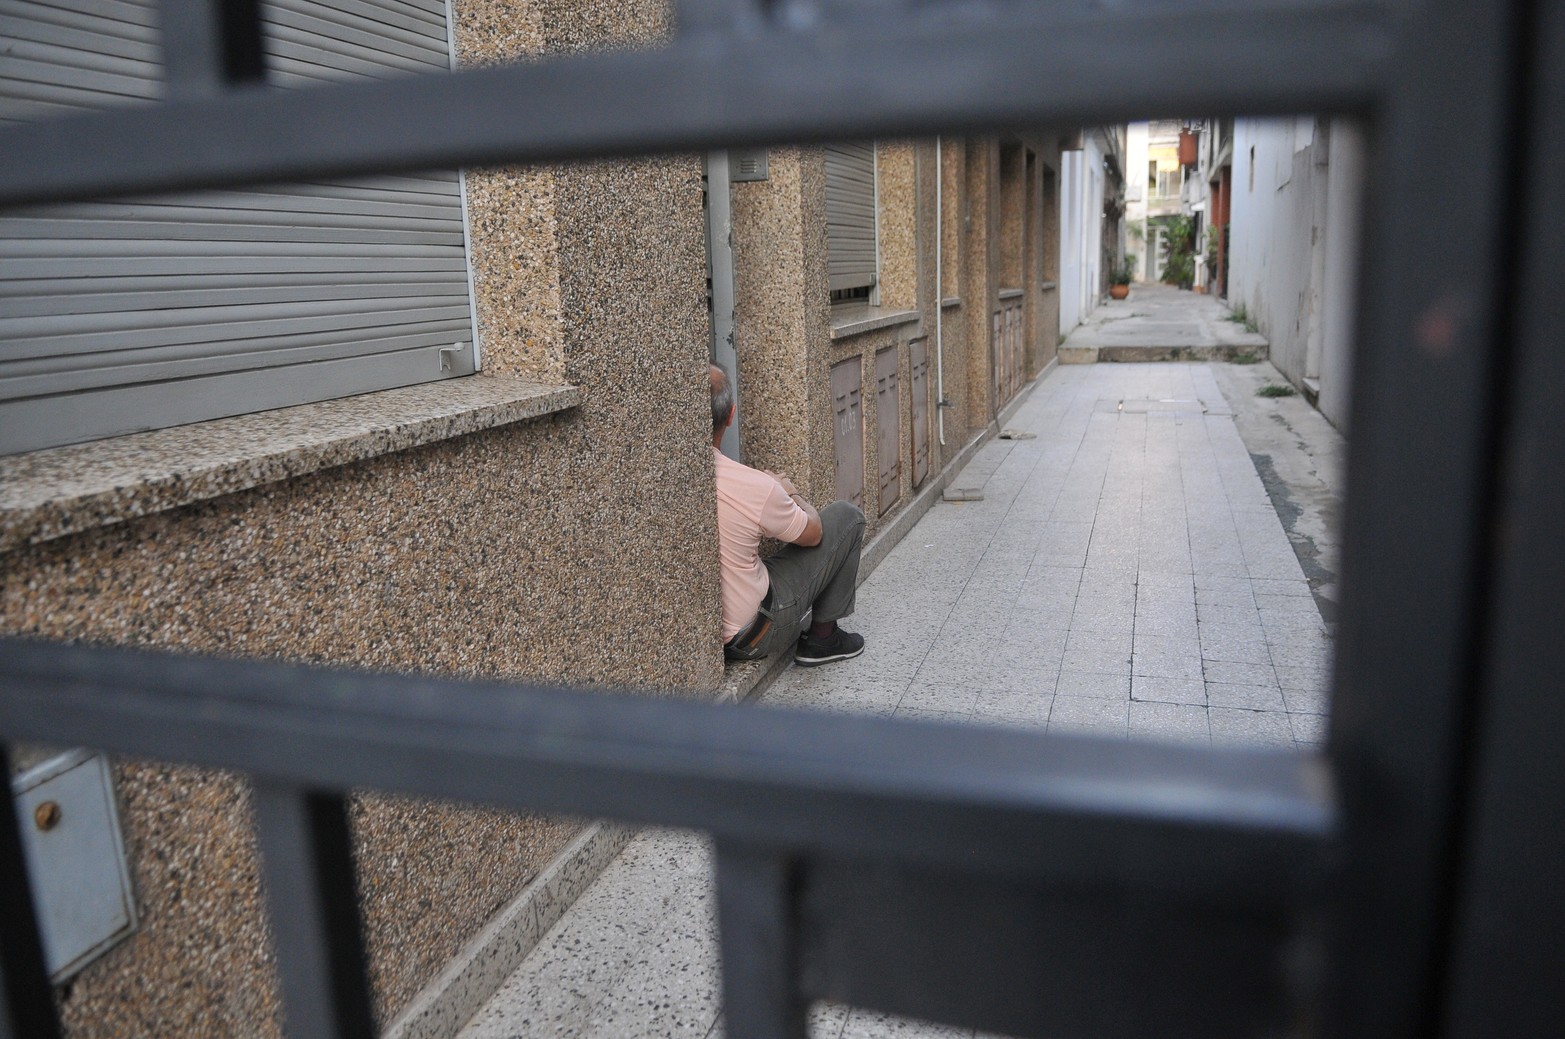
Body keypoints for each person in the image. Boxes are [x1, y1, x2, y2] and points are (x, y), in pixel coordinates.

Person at [710, 364, 866, 666]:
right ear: (731, 415)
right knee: (848, 517)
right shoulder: (754, 486)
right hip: (754, 633)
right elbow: (813, 534)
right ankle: (823, 638)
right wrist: (789, 491)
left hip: (712, 637)